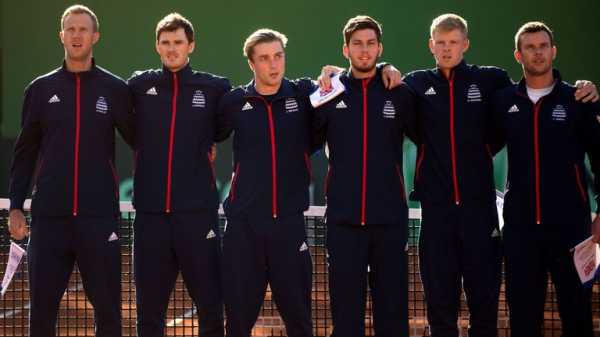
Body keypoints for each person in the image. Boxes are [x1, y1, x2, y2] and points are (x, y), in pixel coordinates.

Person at [399, 14, 598, 337]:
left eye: (453, 42)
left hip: (493, 216)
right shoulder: (417, 84)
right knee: (444, 311)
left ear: (466, 44)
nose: (447, 48)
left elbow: (541, 97)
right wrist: (380, 70)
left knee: (491, 311)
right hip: (442, 215)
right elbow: (379, 86)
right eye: (441, 42)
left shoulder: (495, 83)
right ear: (431, 45)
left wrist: (585, 87)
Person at [7, 5, 133, 337]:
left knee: (108, 316)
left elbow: (141, 142)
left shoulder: (115, 89)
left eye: (83, 29)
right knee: (42, 315)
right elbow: (25, 152)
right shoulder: (40, 89)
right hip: (50, 220)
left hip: (99, 219)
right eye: (71, 29)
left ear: (95, 37)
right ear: (61, 36)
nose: (77, 35)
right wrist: (16, 204)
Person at [490, 21, 600, 337]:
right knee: (524, 319)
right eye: (529, 47)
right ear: (518, 54)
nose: (537, 53)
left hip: (573, 231)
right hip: (520, 232)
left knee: (577, 316)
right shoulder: (503, 102)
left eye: (542, 46)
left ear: (553, 51)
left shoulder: (579, 100)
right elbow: (476, 146)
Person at [313, 15, 418, 337]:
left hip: (390, 221)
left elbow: (431, 139)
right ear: (345, 49)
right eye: (357, 44)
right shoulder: (329, 93)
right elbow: (304, 140)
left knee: (393, 314)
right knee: (346, 317)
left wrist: (389, 69)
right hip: (343, 222)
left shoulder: (399, 93)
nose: (364, 50)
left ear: (380, 48)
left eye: (371, 43)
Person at [127, 13, 230, 337]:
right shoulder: (138, 86)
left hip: (198, 217)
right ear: (157, 46)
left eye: (179, 42)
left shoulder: (215, 88)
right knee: (149, 314)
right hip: (151, 219)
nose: (172, 49)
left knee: (211, 310)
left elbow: (229, 123)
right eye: (166, 42)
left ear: (191, 46)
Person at [216, 28, 317, 337]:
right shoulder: (235, 101)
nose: (273, 65)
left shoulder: (303, 94)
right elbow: (205, 135)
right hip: (243, 228)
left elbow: (348, 79)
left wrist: (384, 69)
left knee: (299, 321)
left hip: (288, 225)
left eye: (278, 56)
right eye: (264, 58)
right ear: (251, 64)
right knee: (237, 323)